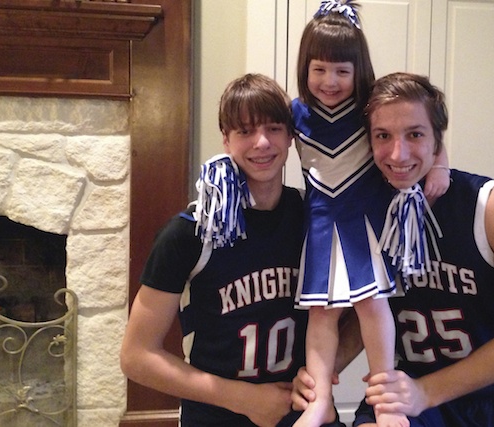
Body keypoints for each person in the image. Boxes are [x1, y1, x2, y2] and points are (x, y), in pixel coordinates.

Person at [120, 73, 347, 427]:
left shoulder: (314, 220)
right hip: (217, 414)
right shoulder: (190, 232)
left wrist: (323, 373)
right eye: (245, 131)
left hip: (300, 410)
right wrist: (242, 398)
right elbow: (136, 356)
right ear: (226, 140)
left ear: (290, 136)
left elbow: (364, 314)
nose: (261, 143)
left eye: (273, 128)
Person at [351, 72, 494, 426]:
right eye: (383, 136)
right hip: (410, 390)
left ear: (437, 139)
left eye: (415, 134)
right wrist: (318, 378)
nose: (398, 153)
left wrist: (427, 391)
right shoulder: (365, 212)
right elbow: (363, 313)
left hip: (485, 398)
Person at [291, 2, 450, 427]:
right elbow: (256, 136)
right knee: (320, 314)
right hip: (322, 224)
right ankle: (320, 400)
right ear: (304, 67)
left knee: (372, 306)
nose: (330, 81)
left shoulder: (371, 106)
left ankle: (384, 397)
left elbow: (427, 120)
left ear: (358, 70)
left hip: (366, 225)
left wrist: (440, 164)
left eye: (342, 71)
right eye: (320, 69)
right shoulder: (295, 112)